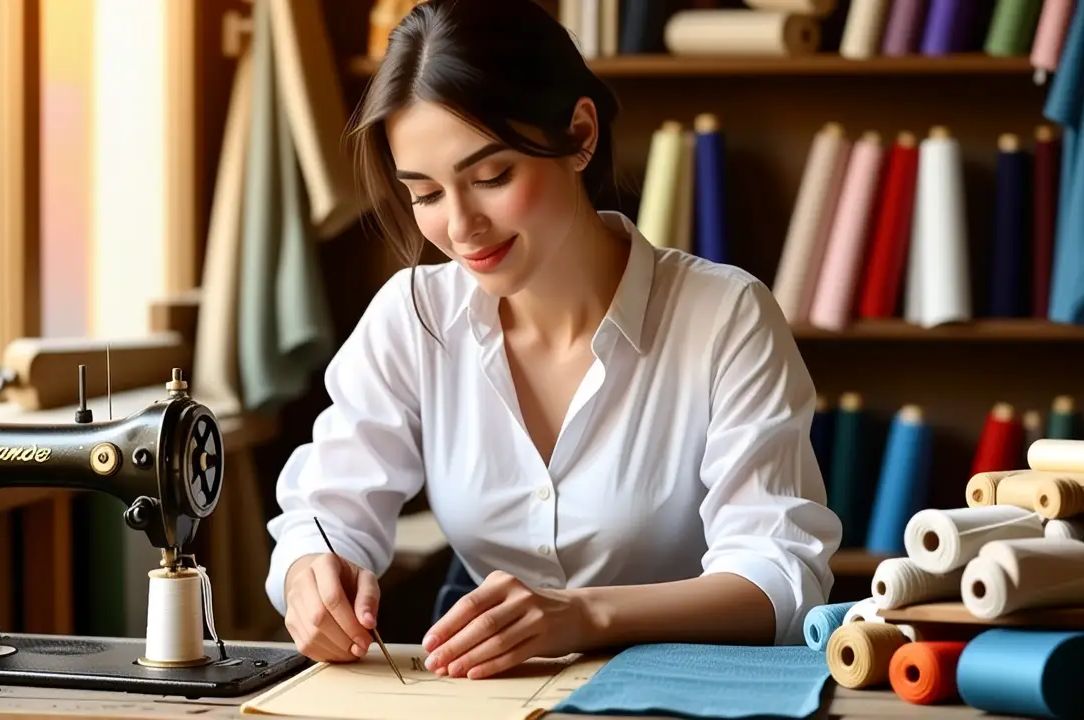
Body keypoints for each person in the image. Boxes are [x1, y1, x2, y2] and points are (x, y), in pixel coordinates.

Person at [265, 0, 842, 681]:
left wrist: (582, 615)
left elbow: (779, 577)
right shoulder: (413, 317)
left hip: (690, 684)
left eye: (491, 178)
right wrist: (311, 572)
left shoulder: (725, 316)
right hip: (489, 687)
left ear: (579, 135)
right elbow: (325, 512)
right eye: (425, 194)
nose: (461, 228)